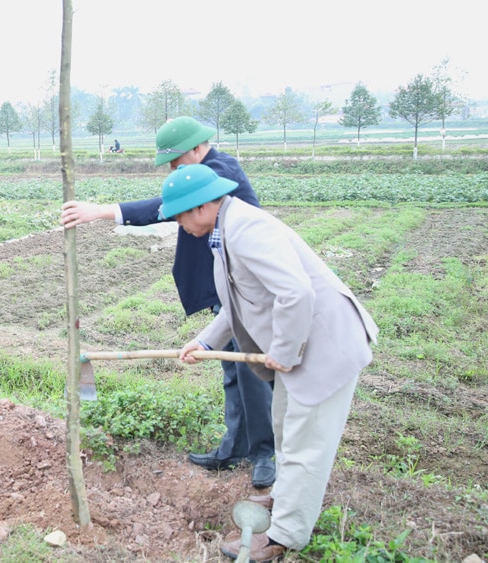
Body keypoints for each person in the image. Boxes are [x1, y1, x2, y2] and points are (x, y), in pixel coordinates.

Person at [162, 164, 378, 561]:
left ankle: (284, 536)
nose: (179, 225)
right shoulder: (225, 231)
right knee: (283, 425)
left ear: (203, 206)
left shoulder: (246, 229)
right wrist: (204, 343)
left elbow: (295, 293)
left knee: (304, 445)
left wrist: (284, 349)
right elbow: (236, 303)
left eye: (179, 215)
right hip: (302, 346)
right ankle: (283, 497)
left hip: (324, 346)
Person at [60, 116, 276, 488]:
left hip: (244, 287)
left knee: (249, 370)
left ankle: (264, 454)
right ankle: (235, 446)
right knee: (231, 369)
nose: (176, 171)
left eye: (177, 163)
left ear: (196, 148)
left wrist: (102, 211)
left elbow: (165, 205)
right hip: (222, 284)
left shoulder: (219, 173)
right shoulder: (206, 170)